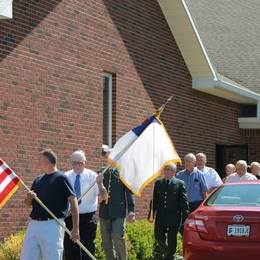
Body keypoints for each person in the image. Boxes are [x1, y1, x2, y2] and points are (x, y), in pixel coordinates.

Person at [20, 149, 79, 260]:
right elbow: (27, 204)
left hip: (53, 224)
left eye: (40, 160)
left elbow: (74, 202)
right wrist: (29, 197)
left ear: (48, 162)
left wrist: (75, 228)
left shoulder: (61, 178)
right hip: (34, 224)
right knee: (27, 256)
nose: (38, 163)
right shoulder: (38, 179)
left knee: (52, 257)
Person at [64, 150, 106, 260]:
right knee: (70, 251)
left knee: (88, 249)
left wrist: (101, 185)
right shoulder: (66, 176)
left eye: (80, 163)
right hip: (70, 218)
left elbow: (104, 196)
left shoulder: (93, 176)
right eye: (74, 163)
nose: (77, 166)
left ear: (84, 162)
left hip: (88, 218)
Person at [98, 144, 135, 260]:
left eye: (106, 153)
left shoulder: (122, 172)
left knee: (117, 236)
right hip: (104, 211)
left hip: (118, 211)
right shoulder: (100, 173)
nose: (105, 156)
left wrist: (131, 211)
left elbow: (129, 193)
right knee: (106, 242)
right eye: (103, 154)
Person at [151, 163, 189, 260]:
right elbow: (155, 200)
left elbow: (184, 201)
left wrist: (186, 217)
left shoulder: (180, 183)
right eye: (165, 169)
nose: (166, 171)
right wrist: (152, 214)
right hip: (161, 215)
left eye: (169, 169)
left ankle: (170, 257)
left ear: (174, 172)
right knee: (158, 236)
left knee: (172, 238)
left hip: (174, 216)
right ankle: (169, 254)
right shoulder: (158, 183)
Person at [176, 153, 208, 235]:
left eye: (189, 161)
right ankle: (185, 240)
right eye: (186, 161)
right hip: (183, 204)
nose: (187, 163)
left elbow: (204, 191)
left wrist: (205, 206)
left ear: (194, 162)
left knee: (196, 225)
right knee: (182, 226)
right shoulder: (179, 175)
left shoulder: (200, 174)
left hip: (196, 204)